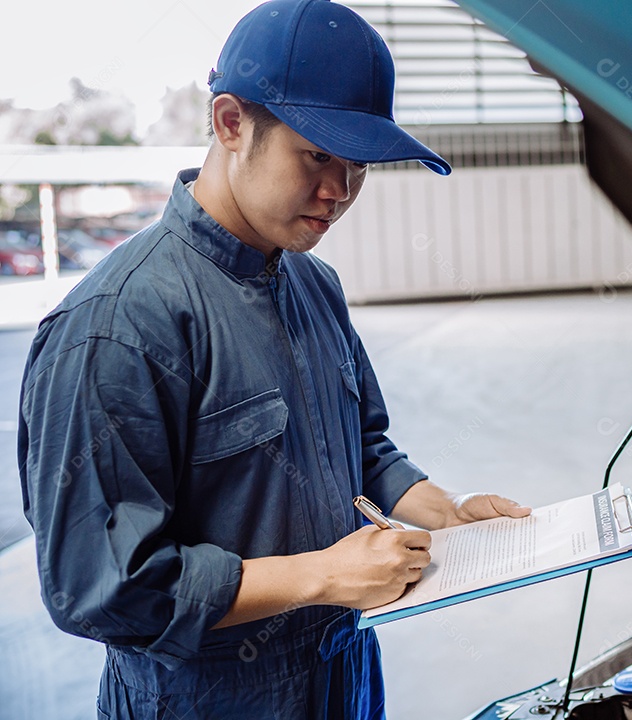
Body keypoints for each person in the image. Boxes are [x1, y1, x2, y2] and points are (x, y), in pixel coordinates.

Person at [16, 1, 530, 718]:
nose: (340, 192)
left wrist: (447, 513)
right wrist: (320, 575)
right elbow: (102, 584)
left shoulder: (312, 283)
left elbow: (365, 449)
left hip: (342, 679)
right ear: (231, 123)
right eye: (318, 154)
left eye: (358, 164)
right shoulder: (119, 326)